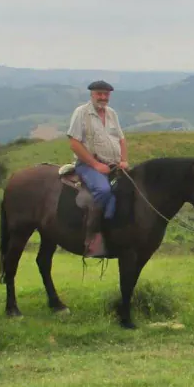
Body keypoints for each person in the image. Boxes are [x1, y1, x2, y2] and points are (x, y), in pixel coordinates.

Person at [67, 79, 129, 258]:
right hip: (88, 165)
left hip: (113, 164)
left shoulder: (111, 113)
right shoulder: (82, 113)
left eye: (106, 94)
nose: (103, 97)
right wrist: (95, 165)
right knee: (103, 190)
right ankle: (93, 236)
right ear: (92, 95)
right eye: (99, 94)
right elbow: (74, 143)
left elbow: (121, 139)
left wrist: (124, 160)